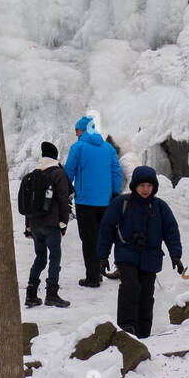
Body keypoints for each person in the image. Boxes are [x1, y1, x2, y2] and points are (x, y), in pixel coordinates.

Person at [96, 166, 184, 339]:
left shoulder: (160, 207)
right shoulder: (122, 204)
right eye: (142, 185)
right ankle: (127, 326)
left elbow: (171, 231)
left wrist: (176, 256)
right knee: (130, 286)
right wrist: (102, 255)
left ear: (154, 187)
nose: (145, 189)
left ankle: (144, 332)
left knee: (146, 293)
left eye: (149, 186)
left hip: (150, 257)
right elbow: (106, 228)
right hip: (126, 253)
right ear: (135, 186)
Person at [64, 115, 122, 288]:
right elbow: (116, 172)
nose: (76, 134)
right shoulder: (109, 148)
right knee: (102, 236)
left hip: (85, 201)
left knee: (88, 239)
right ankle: (100, 269)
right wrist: (114, 193)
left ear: (82, 130)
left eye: (77, 130)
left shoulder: (78, 147)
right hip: (105, 201)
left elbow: (68, 172)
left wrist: (67, 192)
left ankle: (92, 277)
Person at [25, 141, 72, 308]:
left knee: (40, 258)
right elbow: (63, 198)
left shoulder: (35, 172)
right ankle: (51, 293)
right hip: (52, 224)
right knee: (54, 257)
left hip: (36, 223)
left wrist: (28, 225)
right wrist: (63, 222)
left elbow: (30, 201)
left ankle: (31, 293)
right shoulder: (58, 173)